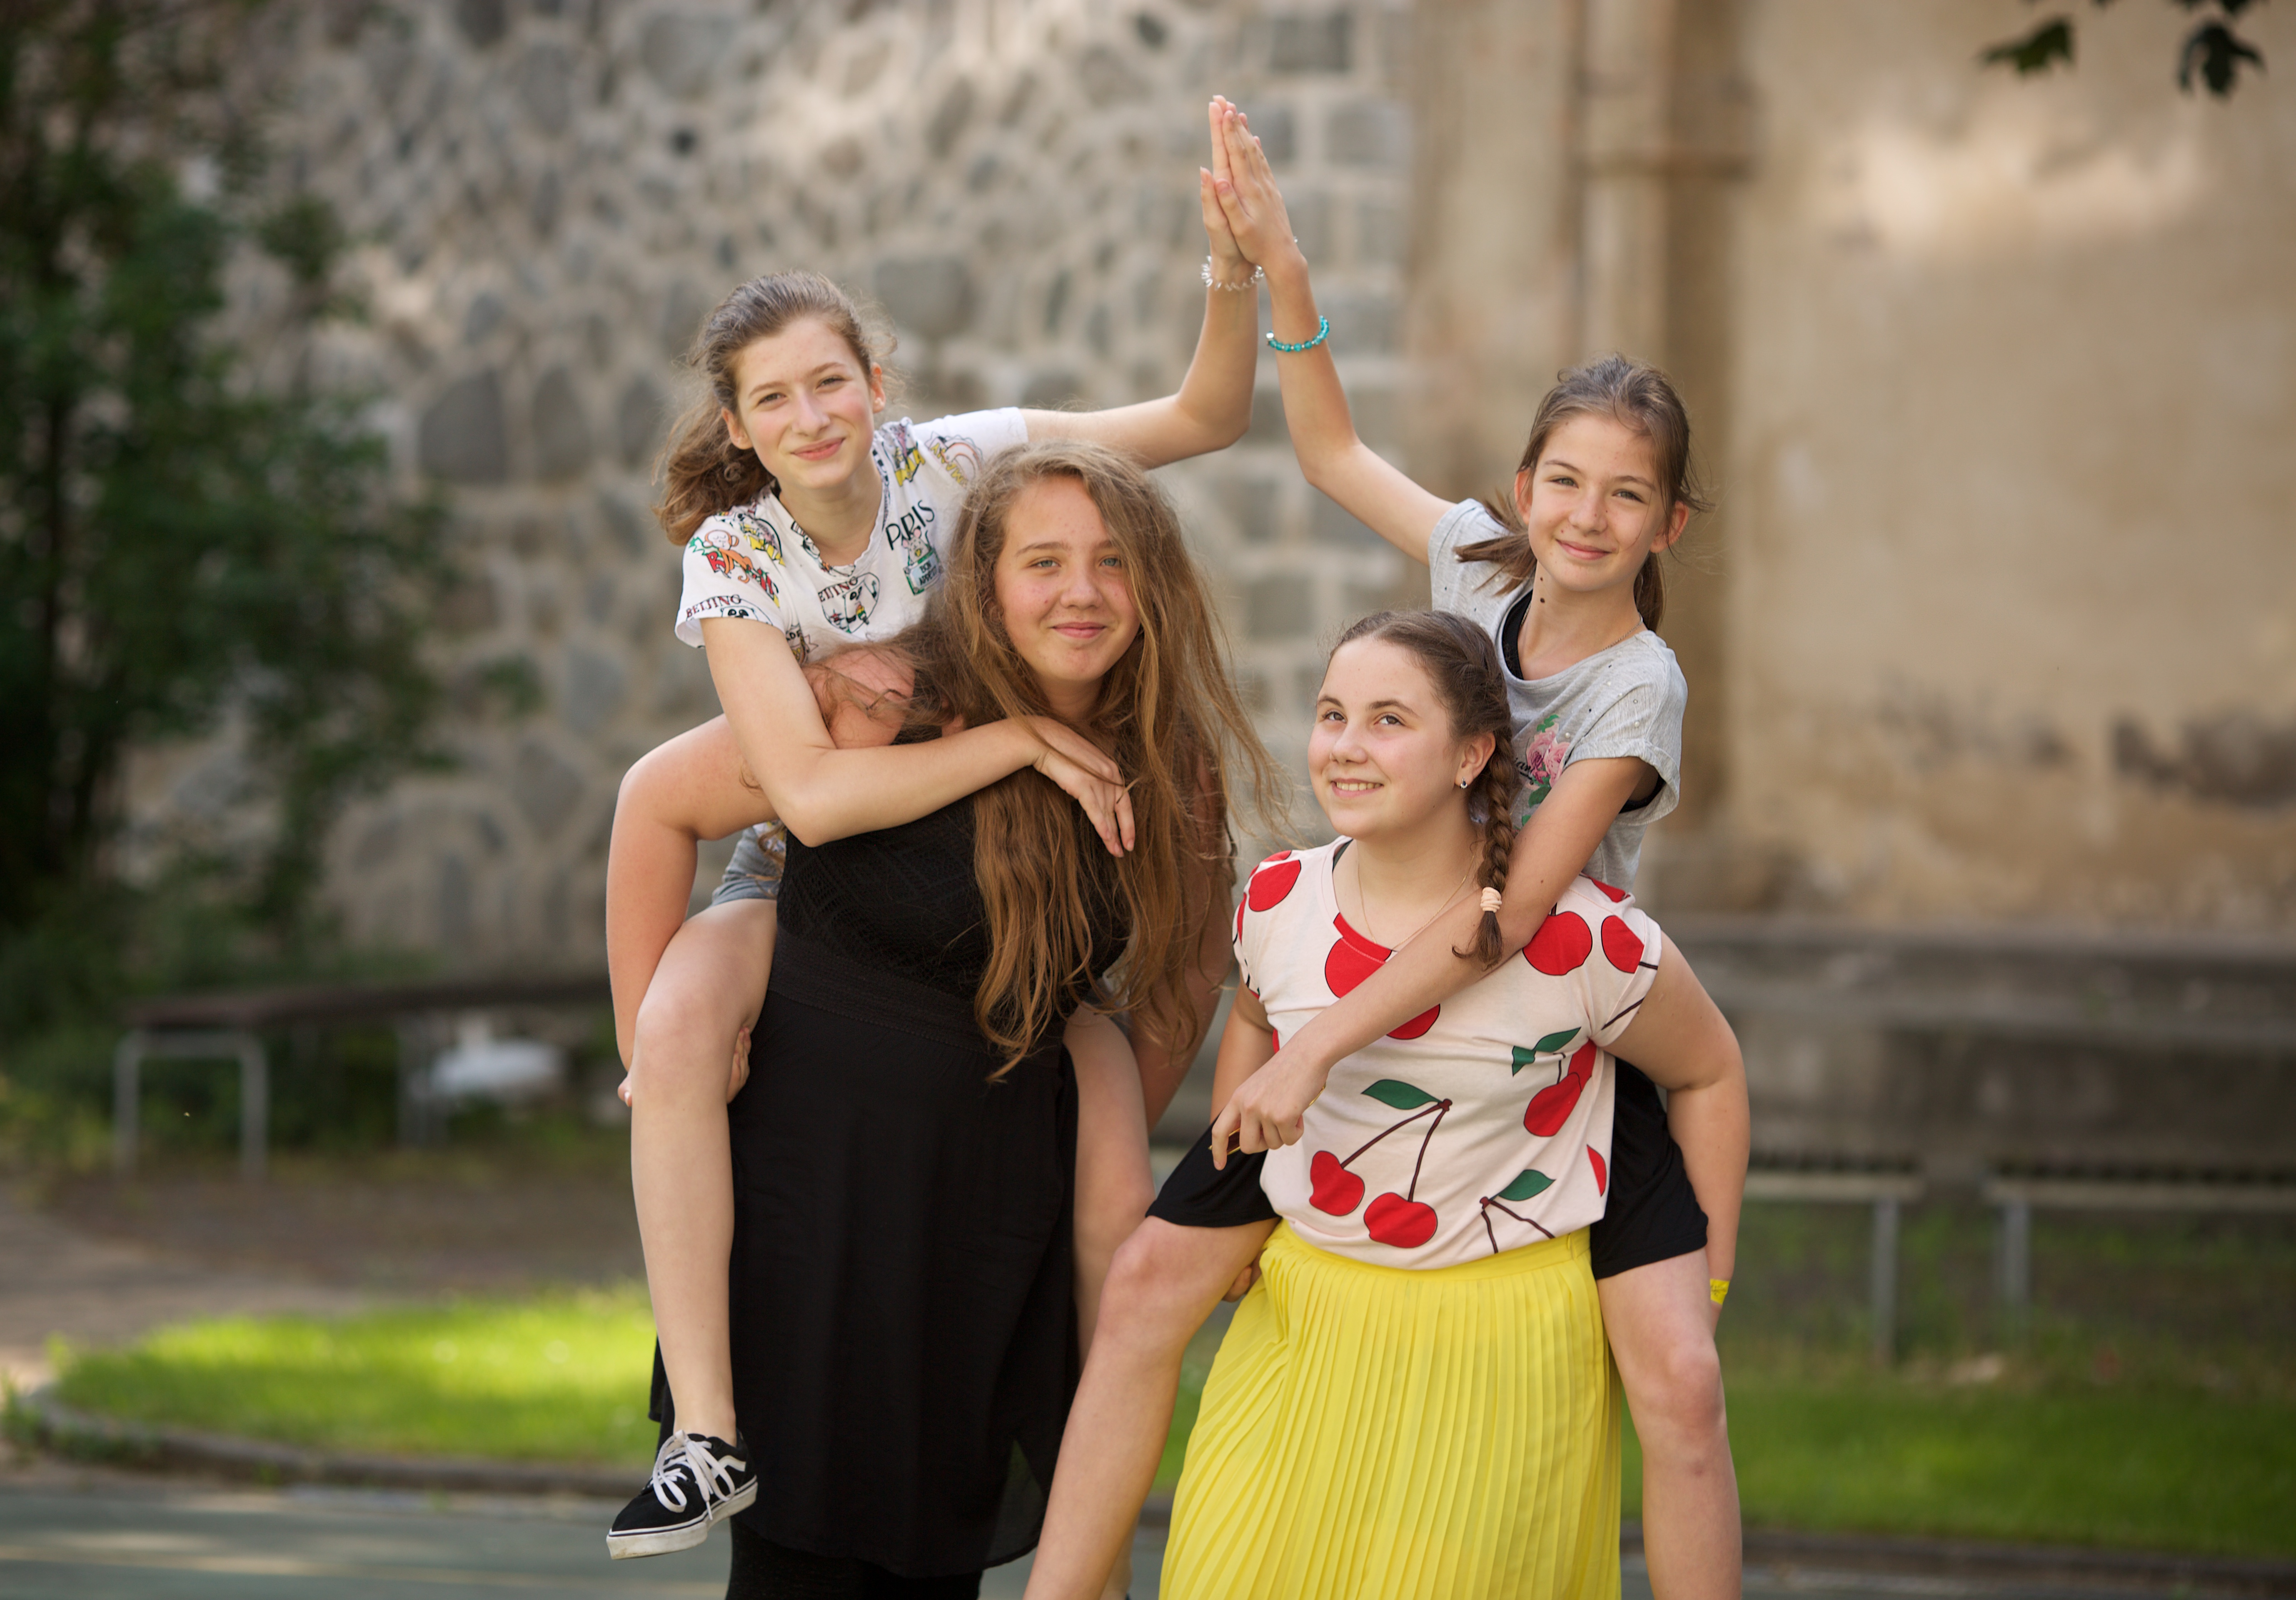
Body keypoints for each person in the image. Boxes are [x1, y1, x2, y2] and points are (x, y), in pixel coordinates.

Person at [1020, 112, 1747, 1600]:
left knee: (1680, 1391)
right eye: (1563, 481)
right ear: (1525, 486)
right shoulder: (1481, 566)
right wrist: (1275, 265)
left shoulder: (1638, 686)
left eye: (1625, 495)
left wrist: (1313, 1047)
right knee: (1149, 1283)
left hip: (1547, 1013)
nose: (1586, 517)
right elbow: (1331, 448)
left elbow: (1508, 918)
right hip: (1385, 955)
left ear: (1669, 523)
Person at [603, 100, 1265, 1574]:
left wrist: (1236, 269)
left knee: (1110, 1181)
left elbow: (1202, 420)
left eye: (831, 382)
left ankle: (1090, 1513)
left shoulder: (953, 465)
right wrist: (657, 1057)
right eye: (774, 401)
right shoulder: (742, 559)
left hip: (982, 884)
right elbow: (773, 803)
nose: (812, 418)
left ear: (878, 383)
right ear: (737, 428)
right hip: (806, 842)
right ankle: (704, 1428)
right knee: (680, 1031)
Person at [1157, 611, 1746, 1600]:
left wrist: (1710, 1278)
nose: (1346, 746)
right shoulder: (1275, 899)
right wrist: (1241, 1182)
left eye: (1388, 721)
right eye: (1332, 715)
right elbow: (1255, 1024)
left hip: (1497, 1349)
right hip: (1302, 1334)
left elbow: (1709, 1071)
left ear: (1473, 755)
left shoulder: (1587, 942)